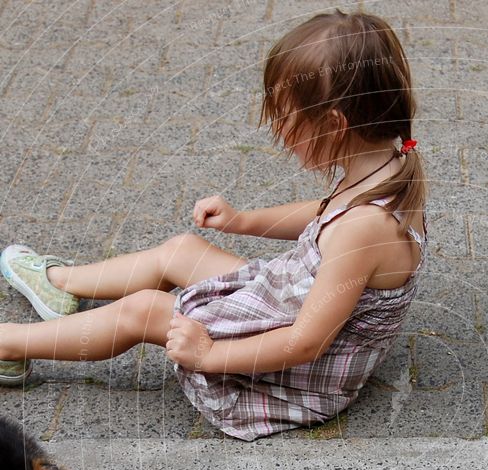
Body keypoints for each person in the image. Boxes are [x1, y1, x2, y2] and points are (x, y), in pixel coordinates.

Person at [0, 8, 428, 441]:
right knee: (181, 251)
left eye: (286, 120)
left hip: (297, 374)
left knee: (144, 310)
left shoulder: (365, 229)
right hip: (291, 300)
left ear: (335, 124)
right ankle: (61, 282)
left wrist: (208, 355)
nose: (279, 132)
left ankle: (9, 345)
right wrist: (242, 222)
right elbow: (324, 212)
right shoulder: (386, 167)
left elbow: (305, 343)